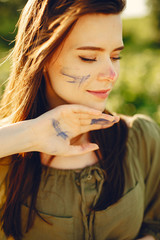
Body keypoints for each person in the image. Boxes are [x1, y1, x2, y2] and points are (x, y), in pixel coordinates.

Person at [0, 0, 159, 239]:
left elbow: (154, 220)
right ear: (40, 57)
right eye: (88, 57)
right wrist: (30, 135)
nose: (111, 75)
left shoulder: (140, 138)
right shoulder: (8, 152)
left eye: (116, 56)